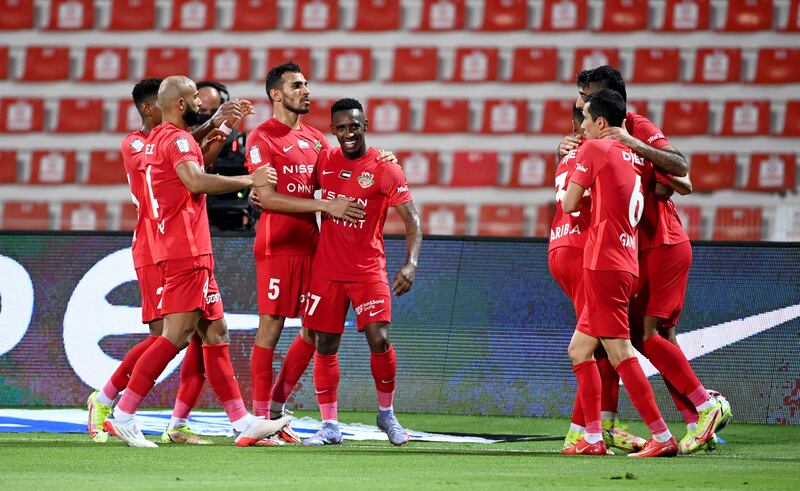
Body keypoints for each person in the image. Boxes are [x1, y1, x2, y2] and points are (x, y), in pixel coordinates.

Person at [102, 75, 287, 448]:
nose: (201, 104)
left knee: (215, 332)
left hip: (184, 247)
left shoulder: (156, 141)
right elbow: (196, 181)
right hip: (185, 250)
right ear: (182, 104)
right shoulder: (178, 140)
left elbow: (188, 170)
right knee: (175, 336)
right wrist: (250, 179)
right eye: (194, 99)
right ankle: (122, 413)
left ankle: (241, 422)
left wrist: (219, 124)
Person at [561, 66, 727, 454]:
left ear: (608, 103)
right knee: (630, 338)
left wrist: (632, 146)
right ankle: (682, 420)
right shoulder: (601, 141)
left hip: (656, 243)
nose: (580, 105)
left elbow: (683, 174)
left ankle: (700, 409)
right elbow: (673, 184)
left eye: (587, 98)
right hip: (633, 248)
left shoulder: (632, 129)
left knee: (640, 337)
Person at [244, 62, 396, 444]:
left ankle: (277, 407)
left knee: (314, 331)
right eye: (297, 85)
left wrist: (383, 160)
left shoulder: (315, 140)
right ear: (277, 94)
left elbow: (344, 167)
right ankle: (259, 418)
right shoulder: (262, 137)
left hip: (316, 245)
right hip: (278, 244)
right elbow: (266, 196)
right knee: (272, 325)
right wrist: (324, 207)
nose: (306, 90)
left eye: (306, 84)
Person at [282, 98, 422, 446]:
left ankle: (386, 414)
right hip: (326, 270)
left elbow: (412, 220)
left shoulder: (386, 168)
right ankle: (330, 426)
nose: (348, 133)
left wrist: (411, 262)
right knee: (325, 344)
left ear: (365, 125)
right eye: (341, 127)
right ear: (333, 130)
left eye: (354, 126)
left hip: (368, 269)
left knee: (380, 339)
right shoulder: (324, 159)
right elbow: (299, 191)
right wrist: (262, 197)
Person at [86, 78, 210, 446]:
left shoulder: (167, 139)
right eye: (165, 102)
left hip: (169, 242)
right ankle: (109, 401)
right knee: (166, 335)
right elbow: (179, 168)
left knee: (181, 334)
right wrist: (209, 128)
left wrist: (214, 127)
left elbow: (182, 157)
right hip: (154, 244)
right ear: (149, 107)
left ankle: (134, 409)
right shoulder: (137, 143)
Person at [561, 89, 676, 457]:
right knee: (580, 350)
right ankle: (591, 439)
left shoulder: (594, 150)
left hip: (602, 260)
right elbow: (674, 184)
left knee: (620, 351)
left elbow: (569, 203)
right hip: (627, 258)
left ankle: (660, 436)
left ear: (600, 122)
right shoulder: (637, 156)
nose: (582, 125)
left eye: (586, 117)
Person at [548, 106, 645, 453]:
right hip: (586, 247)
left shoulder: (569, 152)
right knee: (602, 345)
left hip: (559, 243)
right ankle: (592, 430)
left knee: (589, 344)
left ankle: (593, 430)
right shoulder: (603, 150)